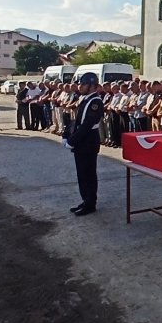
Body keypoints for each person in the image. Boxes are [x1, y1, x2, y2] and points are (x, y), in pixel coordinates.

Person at [64, 72, 104, 216]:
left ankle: (90, 203)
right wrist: (67, 134)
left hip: (88, 141)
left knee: (89, 174)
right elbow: (77, 120)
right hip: (82, 141)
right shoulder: (85, 100)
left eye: (83, 84)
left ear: (92, 86)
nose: (80, 87)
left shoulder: (95, 102)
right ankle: (85, 199)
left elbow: (87, 125)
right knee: (81, 174)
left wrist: (73, 140)